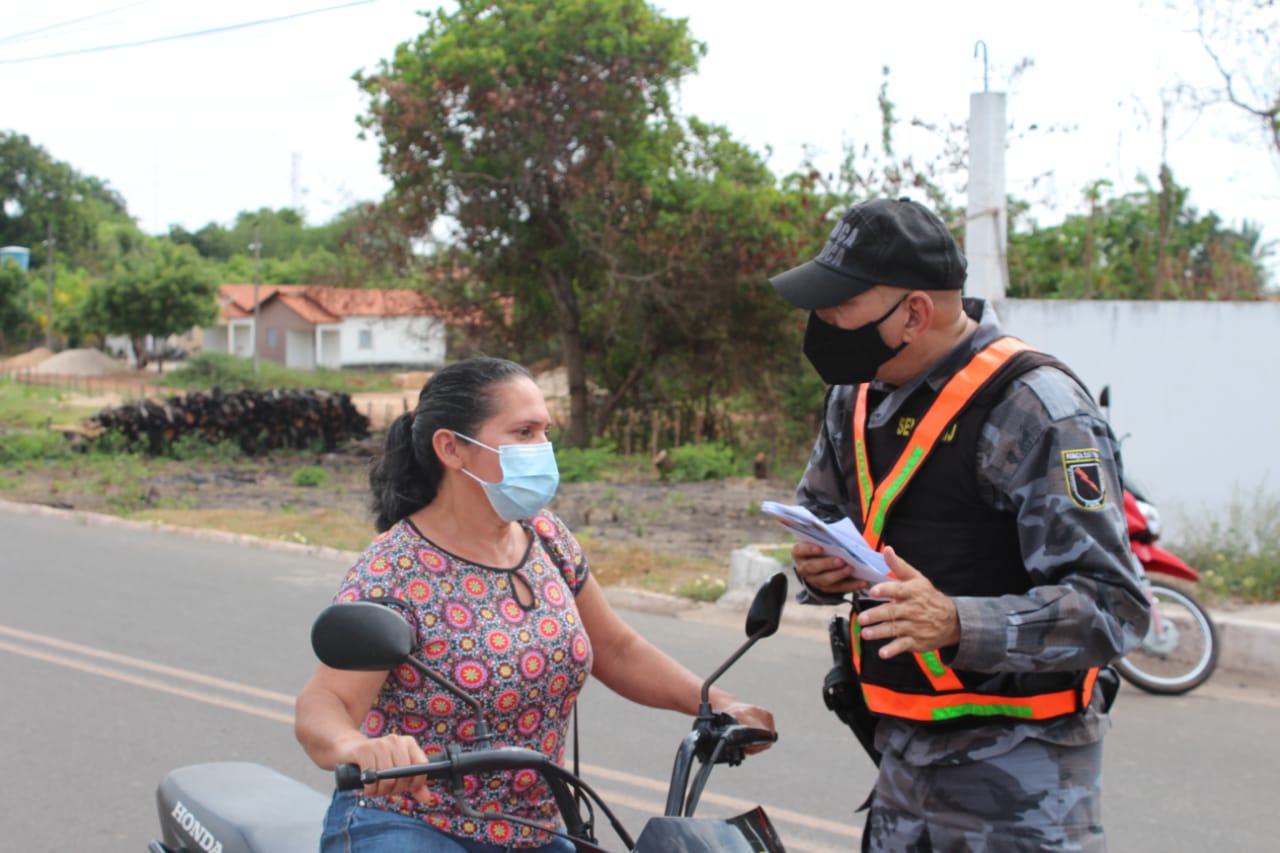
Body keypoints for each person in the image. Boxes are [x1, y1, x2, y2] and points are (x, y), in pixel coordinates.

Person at [768, 197, 1150, 851]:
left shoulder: (1037, 409)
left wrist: (956, 622)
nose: (823, 322)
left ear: (914, 312)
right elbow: (825, 512)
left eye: (841, 305)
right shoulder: (855, 395)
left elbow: (1113, 607)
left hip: (1022, 784)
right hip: (900, 769)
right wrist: (821, 568)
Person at [295, 356, 775, 853]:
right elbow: (323, 704)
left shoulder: (546, 538)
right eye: (523, 432)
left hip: (538, 828)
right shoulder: (394, 570)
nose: (541, 450)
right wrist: (359, 748)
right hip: (411, 824)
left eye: (545, 432)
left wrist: (719, 705)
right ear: (451, 448)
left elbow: (617, 650)